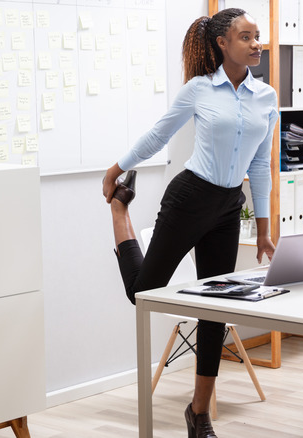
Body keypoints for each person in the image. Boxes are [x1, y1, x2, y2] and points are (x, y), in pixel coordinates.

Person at [102, 8, 278, 438]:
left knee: (215, 307)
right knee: (144, 293)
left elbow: (259, 165)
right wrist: (115, 170)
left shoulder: (266, 97)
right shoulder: (199, 90)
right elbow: (159, 134)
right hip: (189, 196)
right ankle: (119, 211)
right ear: (222, 43)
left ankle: (199, 413)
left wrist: (265, 228)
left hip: (226, 208)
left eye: (258, 36)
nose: (257, 44)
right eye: (246, 37)